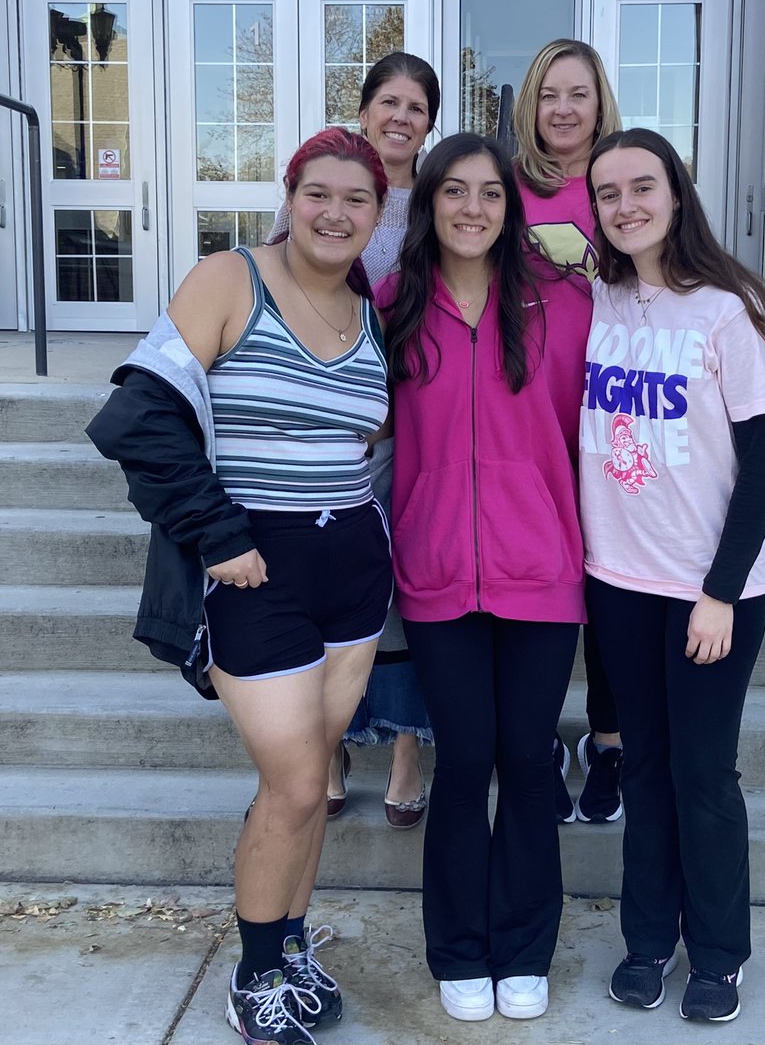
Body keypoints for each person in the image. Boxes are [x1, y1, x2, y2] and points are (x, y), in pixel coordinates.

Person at [88, 128, 392, 1045]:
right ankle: (255, 976)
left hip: (355, 569)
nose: (336, 213)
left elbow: (366, 434)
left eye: (358, 199)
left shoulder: (368, 304)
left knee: (315, 771)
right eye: (319, 194)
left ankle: (291, 946)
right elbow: (138, 418)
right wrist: (219, 533)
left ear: (378, 216)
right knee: (296, 783)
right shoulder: (231, 280)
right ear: (290, 197)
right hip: (255, 568)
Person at [377, 133, 592, 1023]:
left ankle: (525, 945)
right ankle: (460, 949)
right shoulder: (391, 304)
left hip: (541, 571)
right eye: (454, 191)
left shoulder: (562, 303)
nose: (473, 208)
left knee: (527, 762)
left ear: (514, 208)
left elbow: (600, 429)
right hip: (435, 575)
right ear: (428, 203)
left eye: (491, 194)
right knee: (465, 761)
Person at [580, 128, 765, 1024]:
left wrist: (720, 589)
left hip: (710, 593)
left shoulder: (728, 308)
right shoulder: (597, 299)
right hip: (617, 583)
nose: (624, 205)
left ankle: (718, 954)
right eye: (607, 193)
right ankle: (646, 942)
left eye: (641, 187)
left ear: (676, 193)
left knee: (705, 774)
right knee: (645, 770)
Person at [268, 51, 441, 828]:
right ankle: (329, 744)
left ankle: (407, 745)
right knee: (323, 575)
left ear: (430, 122)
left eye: (416, 107)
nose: (401, 117)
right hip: (326, 422)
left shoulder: (438, 198)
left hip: (414, 416)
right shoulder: (329, 181)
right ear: (365, 108)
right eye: (389, 102)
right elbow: (277, 287)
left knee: (400, 585)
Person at [512, 38, 624, 825]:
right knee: (540, 587)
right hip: (525, 409)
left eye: (577, 94)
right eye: (549, 93)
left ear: (598, 102)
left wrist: (599, 270)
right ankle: (543, 738)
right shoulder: (505, 186)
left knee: (614, 584)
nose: (562, 109)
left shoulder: (626, 181)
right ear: (530, 102)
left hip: (615, 411)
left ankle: (610, 741)